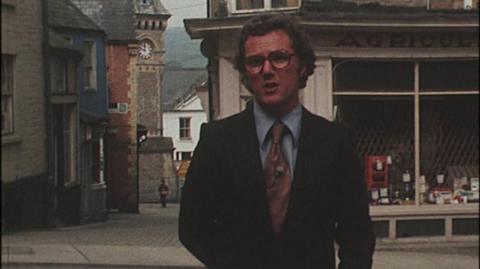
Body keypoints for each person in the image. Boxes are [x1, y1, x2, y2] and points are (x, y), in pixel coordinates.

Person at [179, 14, 375, 269]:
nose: (267, 70)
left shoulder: (334, 142)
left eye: (279, 57)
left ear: (302, 65)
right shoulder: (217, 141)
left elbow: (357, 235)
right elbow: (192, 228)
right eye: (255, 62)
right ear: (245, 73)